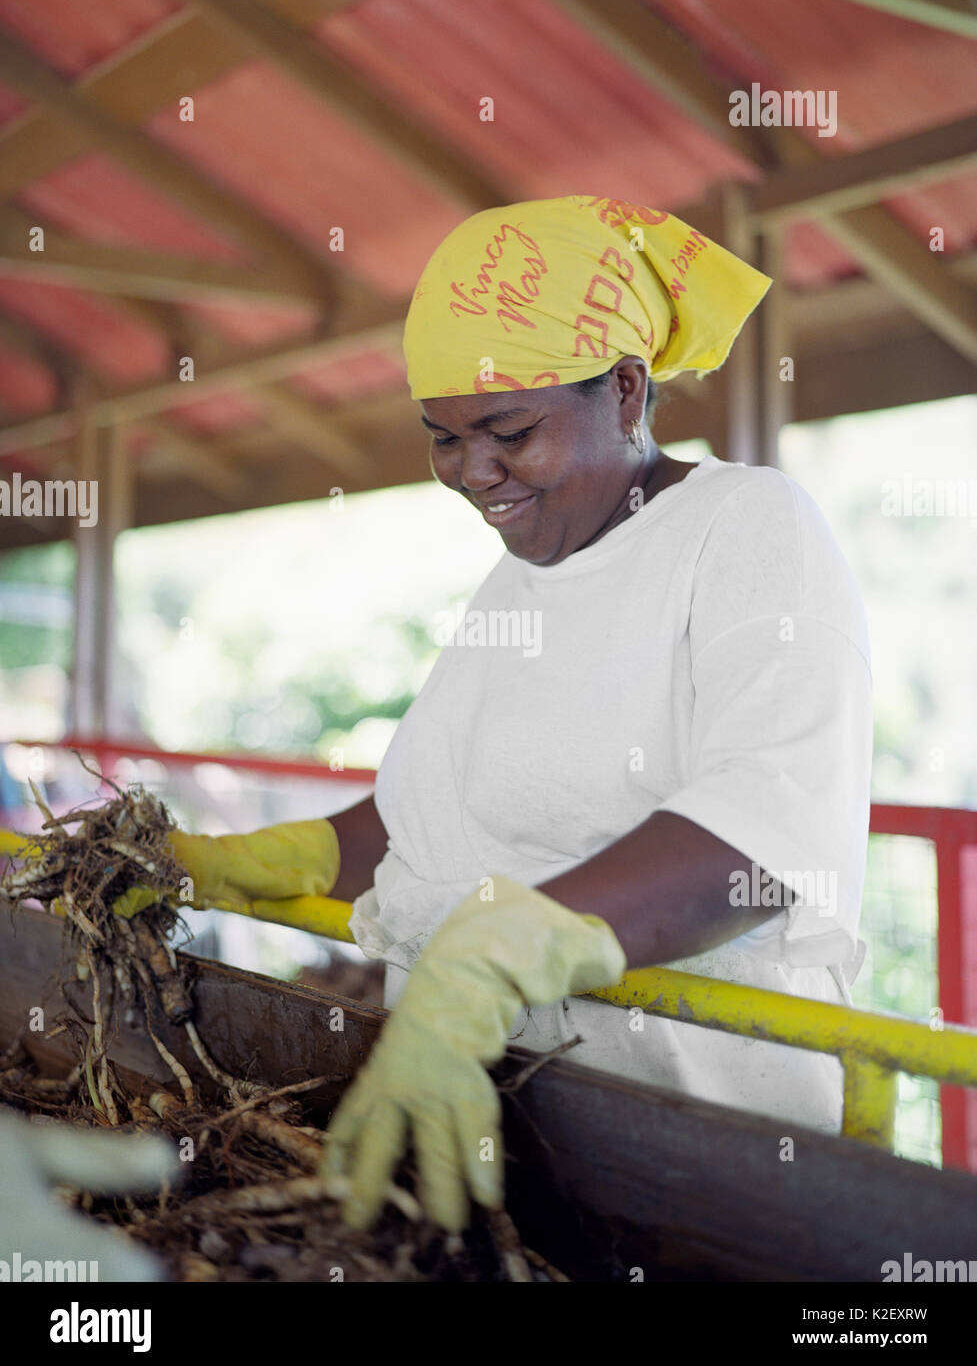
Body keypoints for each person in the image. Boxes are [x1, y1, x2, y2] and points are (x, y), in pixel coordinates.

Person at [120, 197, 873, 1237]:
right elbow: (436, 818)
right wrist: (265, 858)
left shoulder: (745, 528)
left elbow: (769, 829)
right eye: (443, 440)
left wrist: (492, 957)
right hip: (510, 1135)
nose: (473, 475)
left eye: (509, 433)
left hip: (697, 1147)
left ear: (623, 389)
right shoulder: (522, 577)